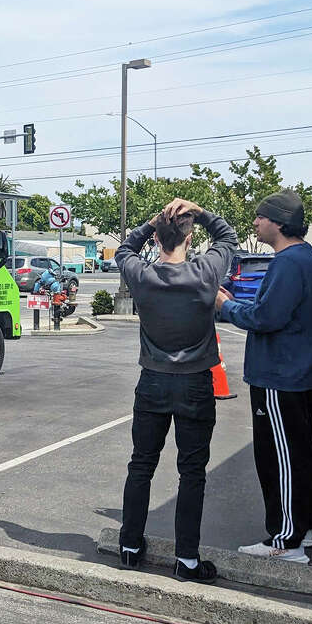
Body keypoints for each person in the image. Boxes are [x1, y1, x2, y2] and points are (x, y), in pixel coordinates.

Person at [115, 198, 238, 584]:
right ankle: (186, 559)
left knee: (141, 464)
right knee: (192, 472)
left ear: (157, 237)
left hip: (152, 381)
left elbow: (123, 249)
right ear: (189, 237)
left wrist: (150, 222)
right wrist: (200, 211)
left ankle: (130, 546)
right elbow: (228, 237)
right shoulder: (205, 273)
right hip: (196, 382)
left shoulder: (142, 275)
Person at [215, 189, 312, 564]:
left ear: (279, 222)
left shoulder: (288, 262)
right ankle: (304, 527)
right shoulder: (307, 257)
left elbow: (265, 319)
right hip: (299, 374)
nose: (256, 222)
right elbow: (274, 309)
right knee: (301, 452)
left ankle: (284, 540)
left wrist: (225, 306)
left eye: (261, 217)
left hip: (280, 376)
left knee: (279, 457)